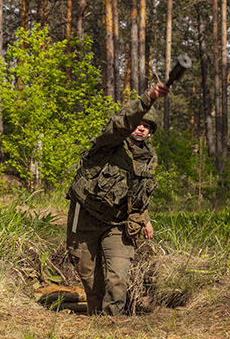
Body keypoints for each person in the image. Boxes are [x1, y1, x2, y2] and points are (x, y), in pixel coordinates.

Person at [66, 83, 170, 316]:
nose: (141, 129)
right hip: (85, 216)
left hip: (117, 224)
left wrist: (145, 218)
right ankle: (96, 320)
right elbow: (121, 123)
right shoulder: (109, 143)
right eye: (139, 124)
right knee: (91, 281)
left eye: (147, 126)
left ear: (151, 132)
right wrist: (149, 98)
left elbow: (141, 192)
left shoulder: (149, 158)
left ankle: (111, 325)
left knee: (117, 279)